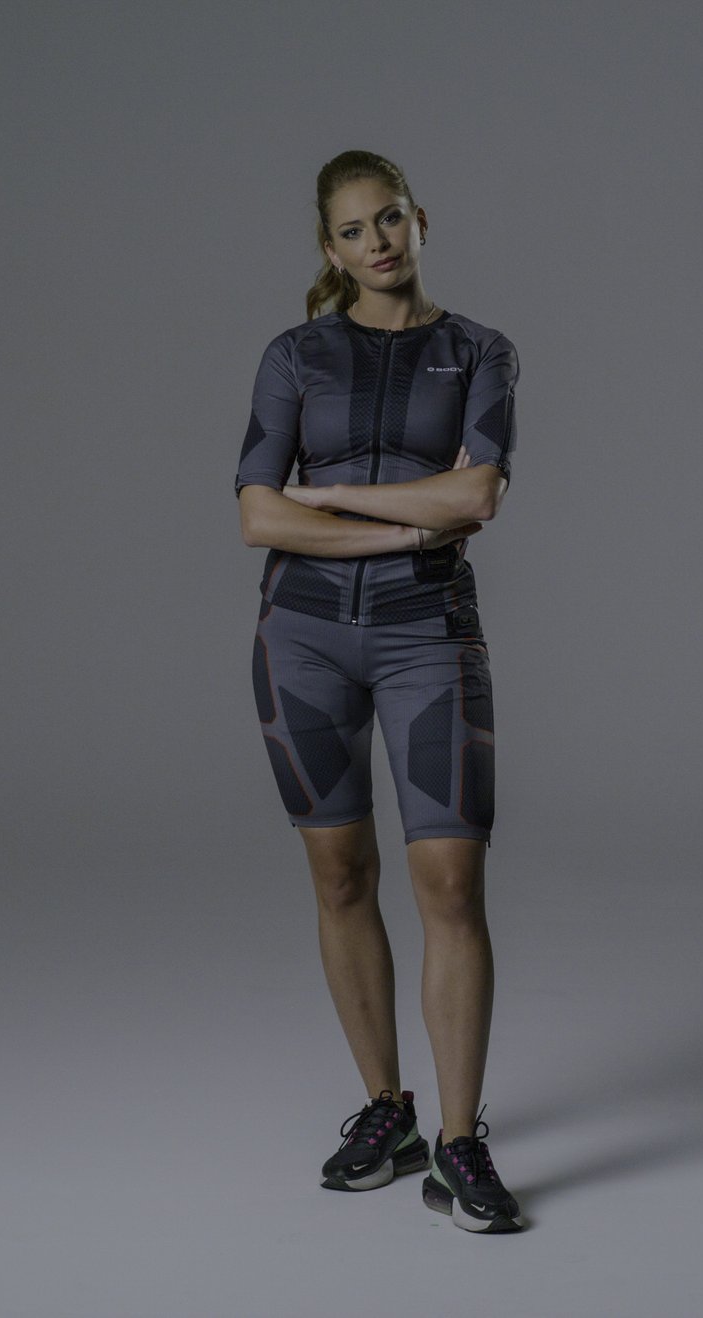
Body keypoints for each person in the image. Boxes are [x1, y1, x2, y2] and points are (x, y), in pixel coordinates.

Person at [233, 150, 525, 1233]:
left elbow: (479, 492)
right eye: (353, 231)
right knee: (342, 876)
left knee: (450, 886)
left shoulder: (479, 352)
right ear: (331, 249)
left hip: (425, 637)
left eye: (390, 219)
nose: (378, 243)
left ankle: (458, 1142)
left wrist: (344, 500)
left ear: (419, 219)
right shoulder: (292, 356)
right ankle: (387, 1111)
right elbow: (258, 516)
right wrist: (408, 522)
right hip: (302, 640)